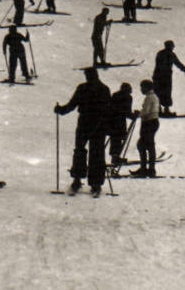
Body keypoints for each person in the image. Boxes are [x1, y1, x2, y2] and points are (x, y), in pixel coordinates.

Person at [55, 67, 112, 196]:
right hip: (97, 124)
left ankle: (78, 179)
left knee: (80, 150)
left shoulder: (84, 88)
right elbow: (109, 109)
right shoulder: (104, 89)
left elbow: (72, 104)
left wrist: (61, 110)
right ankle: (95, 183)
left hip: (86, 123)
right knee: (96, 153)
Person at [151, 41, 185, 116]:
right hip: (164, 76)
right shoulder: (170, 54)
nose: (173, 47)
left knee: (160, 92)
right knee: (165, 92)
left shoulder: (161, 53)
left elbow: (177, 63)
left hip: (159, 76)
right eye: (172, 46)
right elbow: (177, 63)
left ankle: (160, 110)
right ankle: (164, 110)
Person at [133, 79, 162, 177]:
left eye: (142, 87)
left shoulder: (149, 97)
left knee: (143, 145)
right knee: (147, 145)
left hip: (149, 123)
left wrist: (138, 114)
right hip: (152, 122)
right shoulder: (154, 97)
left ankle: (146, 169)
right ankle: (148, 168)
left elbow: (146, 111)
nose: (141, 89)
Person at [107, 82, 135, 168]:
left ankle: (114, 157)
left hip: (111, 121)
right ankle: (116, 158)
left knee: (114, 139)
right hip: (120, 121)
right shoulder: (128, 97)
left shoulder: (115, 95)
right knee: (118, 139)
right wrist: (134, 116)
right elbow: (127, 112)